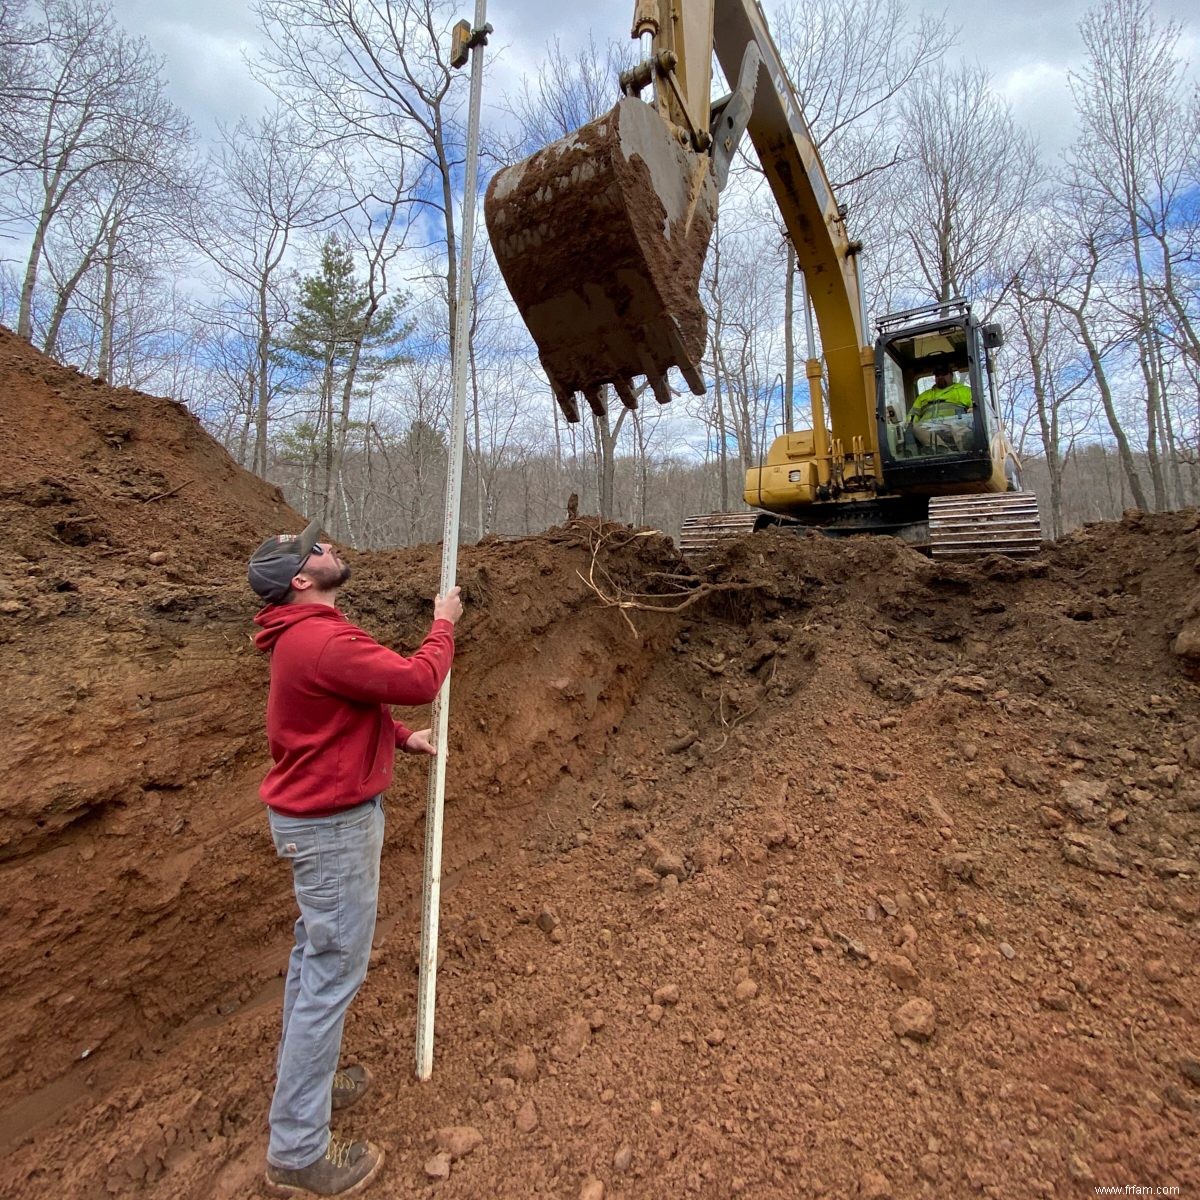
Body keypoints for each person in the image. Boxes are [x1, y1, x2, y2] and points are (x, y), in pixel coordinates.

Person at [247, 519, 463, 1197]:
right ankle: (299, 1151)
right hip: (333, 828)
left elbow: (340, 710)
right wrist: (443, 622)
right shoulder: (321, 637)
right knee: (331, 975)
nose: (329, 545)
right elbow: (418, 677)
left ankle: (315, 1081)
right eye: (316, 550)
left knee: (315, 959)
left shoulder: (303, 639)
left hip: (315, 818)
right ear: (301, 581)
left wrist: (399, 739)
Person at [907, 360, 974, 451]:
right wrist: (909, 424)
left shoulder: (964, 390)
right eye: (937, 375)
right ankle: (944, 451)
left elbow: (975, 405)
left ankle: (967, 455)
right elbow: (913, 415)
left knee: (960, 429)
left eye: (944, 373)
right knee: (917, 428)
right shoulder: (924, 396)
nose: (940, 377)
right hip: (929, 428)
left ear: (951, 375)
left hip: (954, 424)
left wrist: (972, 409)